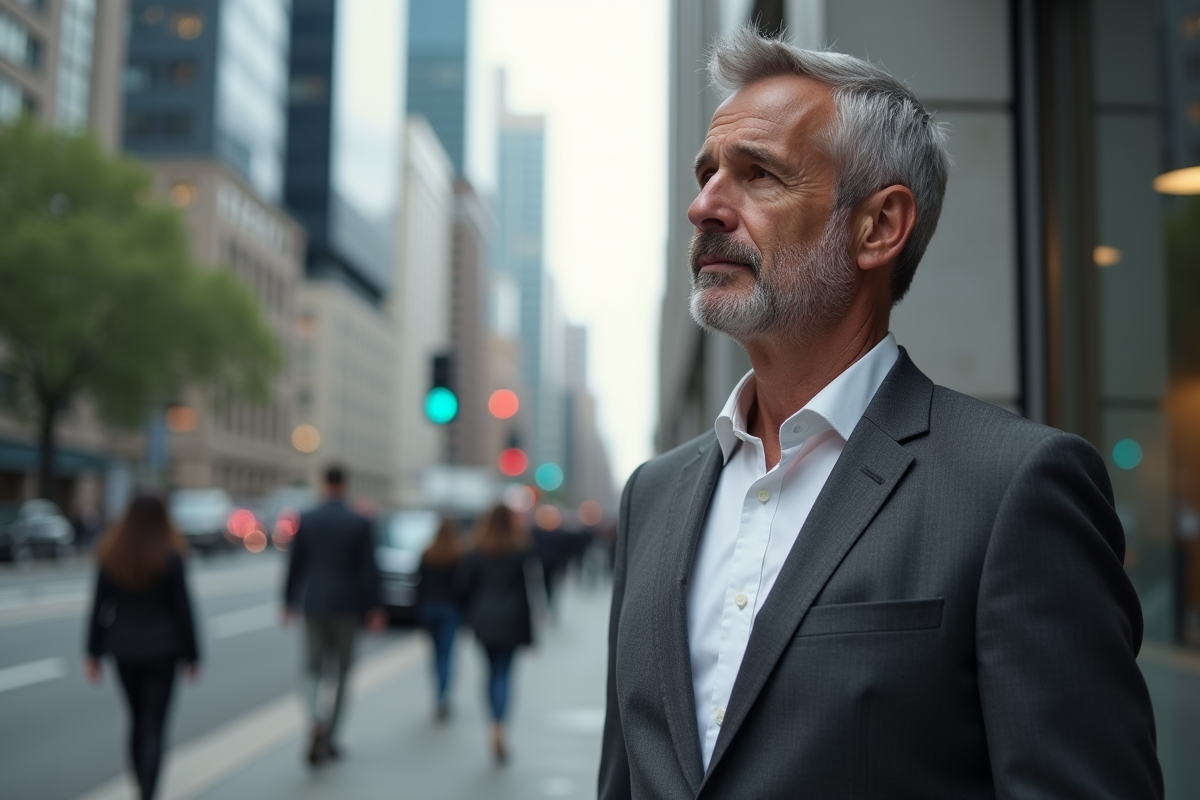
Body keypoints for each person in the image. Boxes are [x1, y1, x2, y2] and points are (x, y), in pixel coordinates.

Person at [599, 28, 1163, 800]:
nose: (704, 206)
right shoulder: (652, 497)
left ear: (878, 228)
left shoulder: (1013, 489)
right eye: (706, 174)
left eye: (757, 174)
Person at [85, 494, 199, 800]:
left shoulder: (112, 553)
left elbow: (98, 607)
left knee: (136, 720)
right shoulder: (171, 555)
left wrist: (92, 652)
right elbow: (183, 610)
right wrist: (193, 654)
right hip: (163, 650)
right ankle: (148, 791)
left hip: (123, 648)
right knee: (155, 725)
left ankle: (140, 784)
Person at [283, 464, 385, 767]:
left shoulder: (307, 519)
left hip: (314, 603)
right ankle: (331, 736)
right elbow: (370, 568)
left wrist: (288, 601)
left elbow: (295, 564)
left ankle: (316, 717)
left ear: (324, 482)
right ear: (346, 483)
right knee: (342, 672)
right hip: (348, 607)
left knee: (311, 668)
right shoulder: (360, 521)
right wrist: (375, 607)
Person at [458, 503, 536, 763]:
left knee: (490, 673)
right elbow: (526, 592)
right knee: (505, 673)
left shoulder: (477, 550)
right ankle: (501, 725)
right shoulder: (520, 550)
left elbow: (465, 587)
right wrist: (531, 630)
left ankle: (492, 724)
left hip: (485, 617)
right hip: (512, 618)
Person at [417, 517, 464, 720]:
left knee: (435, 654)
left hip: (429, 608)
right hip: (450, 609)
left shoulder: (427, 553)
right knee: (447, 654)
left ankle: (437, 692)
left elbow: (418, 584)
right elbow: (463, 586)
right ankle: (442, 695)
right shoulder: (459, 554)